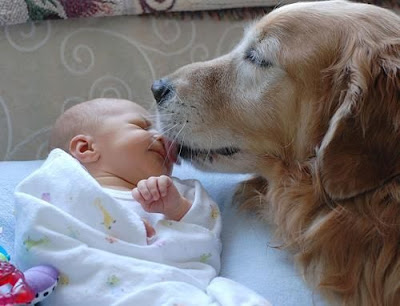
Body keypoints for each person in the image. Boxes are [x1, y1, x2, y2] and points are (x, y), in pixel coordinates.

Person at [14, 98, 271, 305]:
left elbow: (205, 244)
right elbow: (38, 238)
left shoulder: (183, 193)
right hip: (96, 291)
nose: (163, 137)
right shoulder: (57, 187)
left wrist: (175, 208)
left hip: (169, 290)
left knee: (232, 294)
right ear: (85, 149)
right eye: (142, 126)